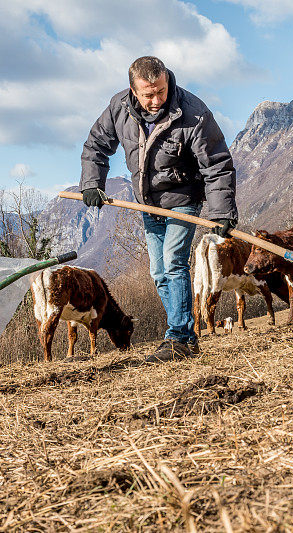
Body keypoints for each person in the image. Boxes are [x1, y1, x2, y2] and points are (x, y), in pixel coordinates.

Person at [79, 56, 238, 362]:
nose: (156, 100)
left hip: (183, 200)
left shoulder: (192, 112)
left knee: (173, 262)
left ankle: (177, 336)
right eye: (148, 94)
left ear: (167, 82)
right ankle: (189, 338)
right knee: (159, 272)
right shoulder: (118, 107)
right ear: (133, 90)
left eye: (161, 92)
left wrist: (221, 212)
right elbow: (96, 144)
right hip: (147, 204)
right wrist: (92, 183)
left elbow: (217, 163)